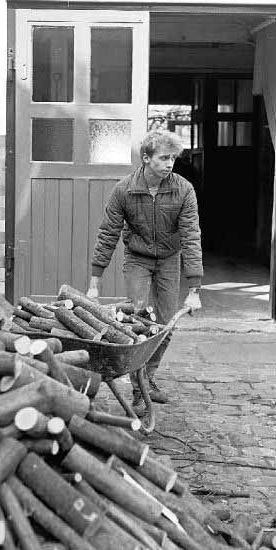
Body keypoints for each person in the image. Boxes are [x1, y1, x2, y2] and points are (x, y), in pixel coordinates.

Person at [87, 129, 203, 415]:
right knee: (138, 318)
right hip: (137, 259)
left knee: (166, 324)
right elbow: (107, 235)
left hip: (168, 259)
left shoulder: (183, 190)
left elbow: (191, 236)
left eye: (173, 158)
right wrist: (94, 282)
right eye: (164, 158)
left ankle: (148, 376)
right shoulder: (124, 190)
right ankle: (139, 389)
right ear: (146, 158)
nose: (169, 164)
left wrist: (194, 290)